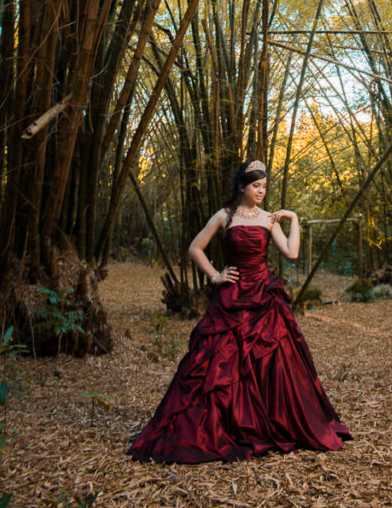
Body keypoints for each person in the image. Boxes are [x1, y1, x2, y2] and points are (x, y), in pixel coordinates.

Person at [127, 159, 350, 463]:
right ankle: (226, 426)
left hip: (263, 298)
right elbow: (195, 248)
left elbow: (292, 252)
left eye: (264, 186)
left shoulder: (269, 219)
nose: (261, 191)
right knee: (219, 362)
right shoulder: (224, 216)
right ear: (243, 186)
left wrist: (294, 218)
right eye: (256, 185)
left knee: (273, 362)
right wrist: (216, 276)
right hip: (231, 298)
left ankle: (269, 423)